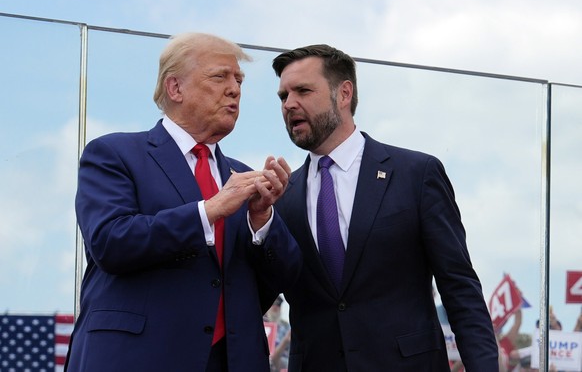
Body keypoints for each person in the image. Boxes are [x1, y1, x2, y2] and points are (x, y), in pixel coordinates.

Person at [65, 32, 302, 372]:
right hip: (138, 359)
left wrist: (262, 219)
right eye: (220, 76)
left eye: (238, 80)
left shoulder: (244, 179)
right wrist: (208, 211)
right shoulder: (113, 154)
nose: (234, 89)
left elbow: (285, 276)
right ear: (175, 88)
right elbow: (109, 242)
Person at [271, 44, 499, 371]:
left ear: (344, 93)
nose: (290, 104)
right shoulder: (282, 197)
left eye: (303, 91)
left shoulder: (415, 174)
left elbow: (459, 288)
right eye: (283, 96)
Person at [264, 295, 291, 372]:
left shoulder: (286, 327)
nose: (275, 307)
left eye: (278, 306)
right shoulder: (261, 324)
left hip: (280, 363)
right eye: (273, 305)